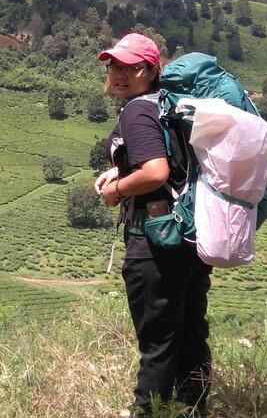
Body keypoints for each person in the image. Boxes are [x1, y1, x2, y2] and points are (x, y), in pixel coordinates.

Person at [95, 32, 212, 416]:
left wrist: (119, 191)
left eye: (132, 67)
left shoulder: (137, 110)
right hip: (191, 238)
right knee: (191, 333)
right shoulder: (170, 106)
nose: (120, 74)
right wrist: (117, 172)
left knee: (158, 344)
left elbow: (156, 171)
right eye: (115, 65)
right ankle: (194, 409)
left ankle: (149, 411)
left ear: (151, 70)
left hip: (155, 240)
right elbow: (171, 162)